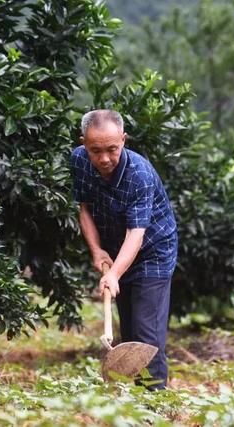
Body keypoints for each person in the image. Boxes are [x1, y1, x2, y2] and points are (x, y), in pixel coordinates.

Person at [69, 109, 178, 390]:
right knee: (129, 333)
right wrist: (96, 251)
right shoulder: (79, 161)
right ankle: (135, 404)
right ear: (84, 144)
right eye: (95, 150)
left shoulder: (138, 174)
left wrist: (114, 273)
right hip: (118, 250)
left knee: (146, 337)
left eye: (112, 149)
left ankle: (154, 405)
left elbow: (136, 233)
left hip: (152, 251)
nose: (104, 159)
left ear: (124, 141)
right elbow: (84, 209)